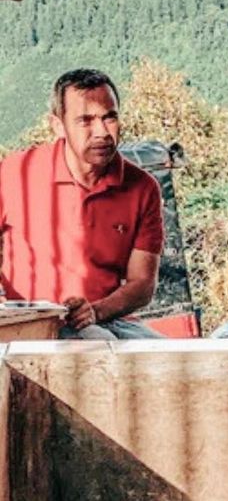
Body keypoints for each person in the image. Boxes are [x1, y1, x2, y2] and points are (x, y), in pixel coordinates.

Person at [0, 69, 165, 339]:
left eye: (109, 117)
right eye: (85, 120)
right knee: (98, 350)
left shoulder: (142, 187)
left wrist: (95, 312)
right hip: (29, 322)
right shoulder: (13, 173)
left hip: (109, 319)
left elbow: (142, 284)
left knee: (170, 360)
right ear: (58, 125)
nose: (101, 132)